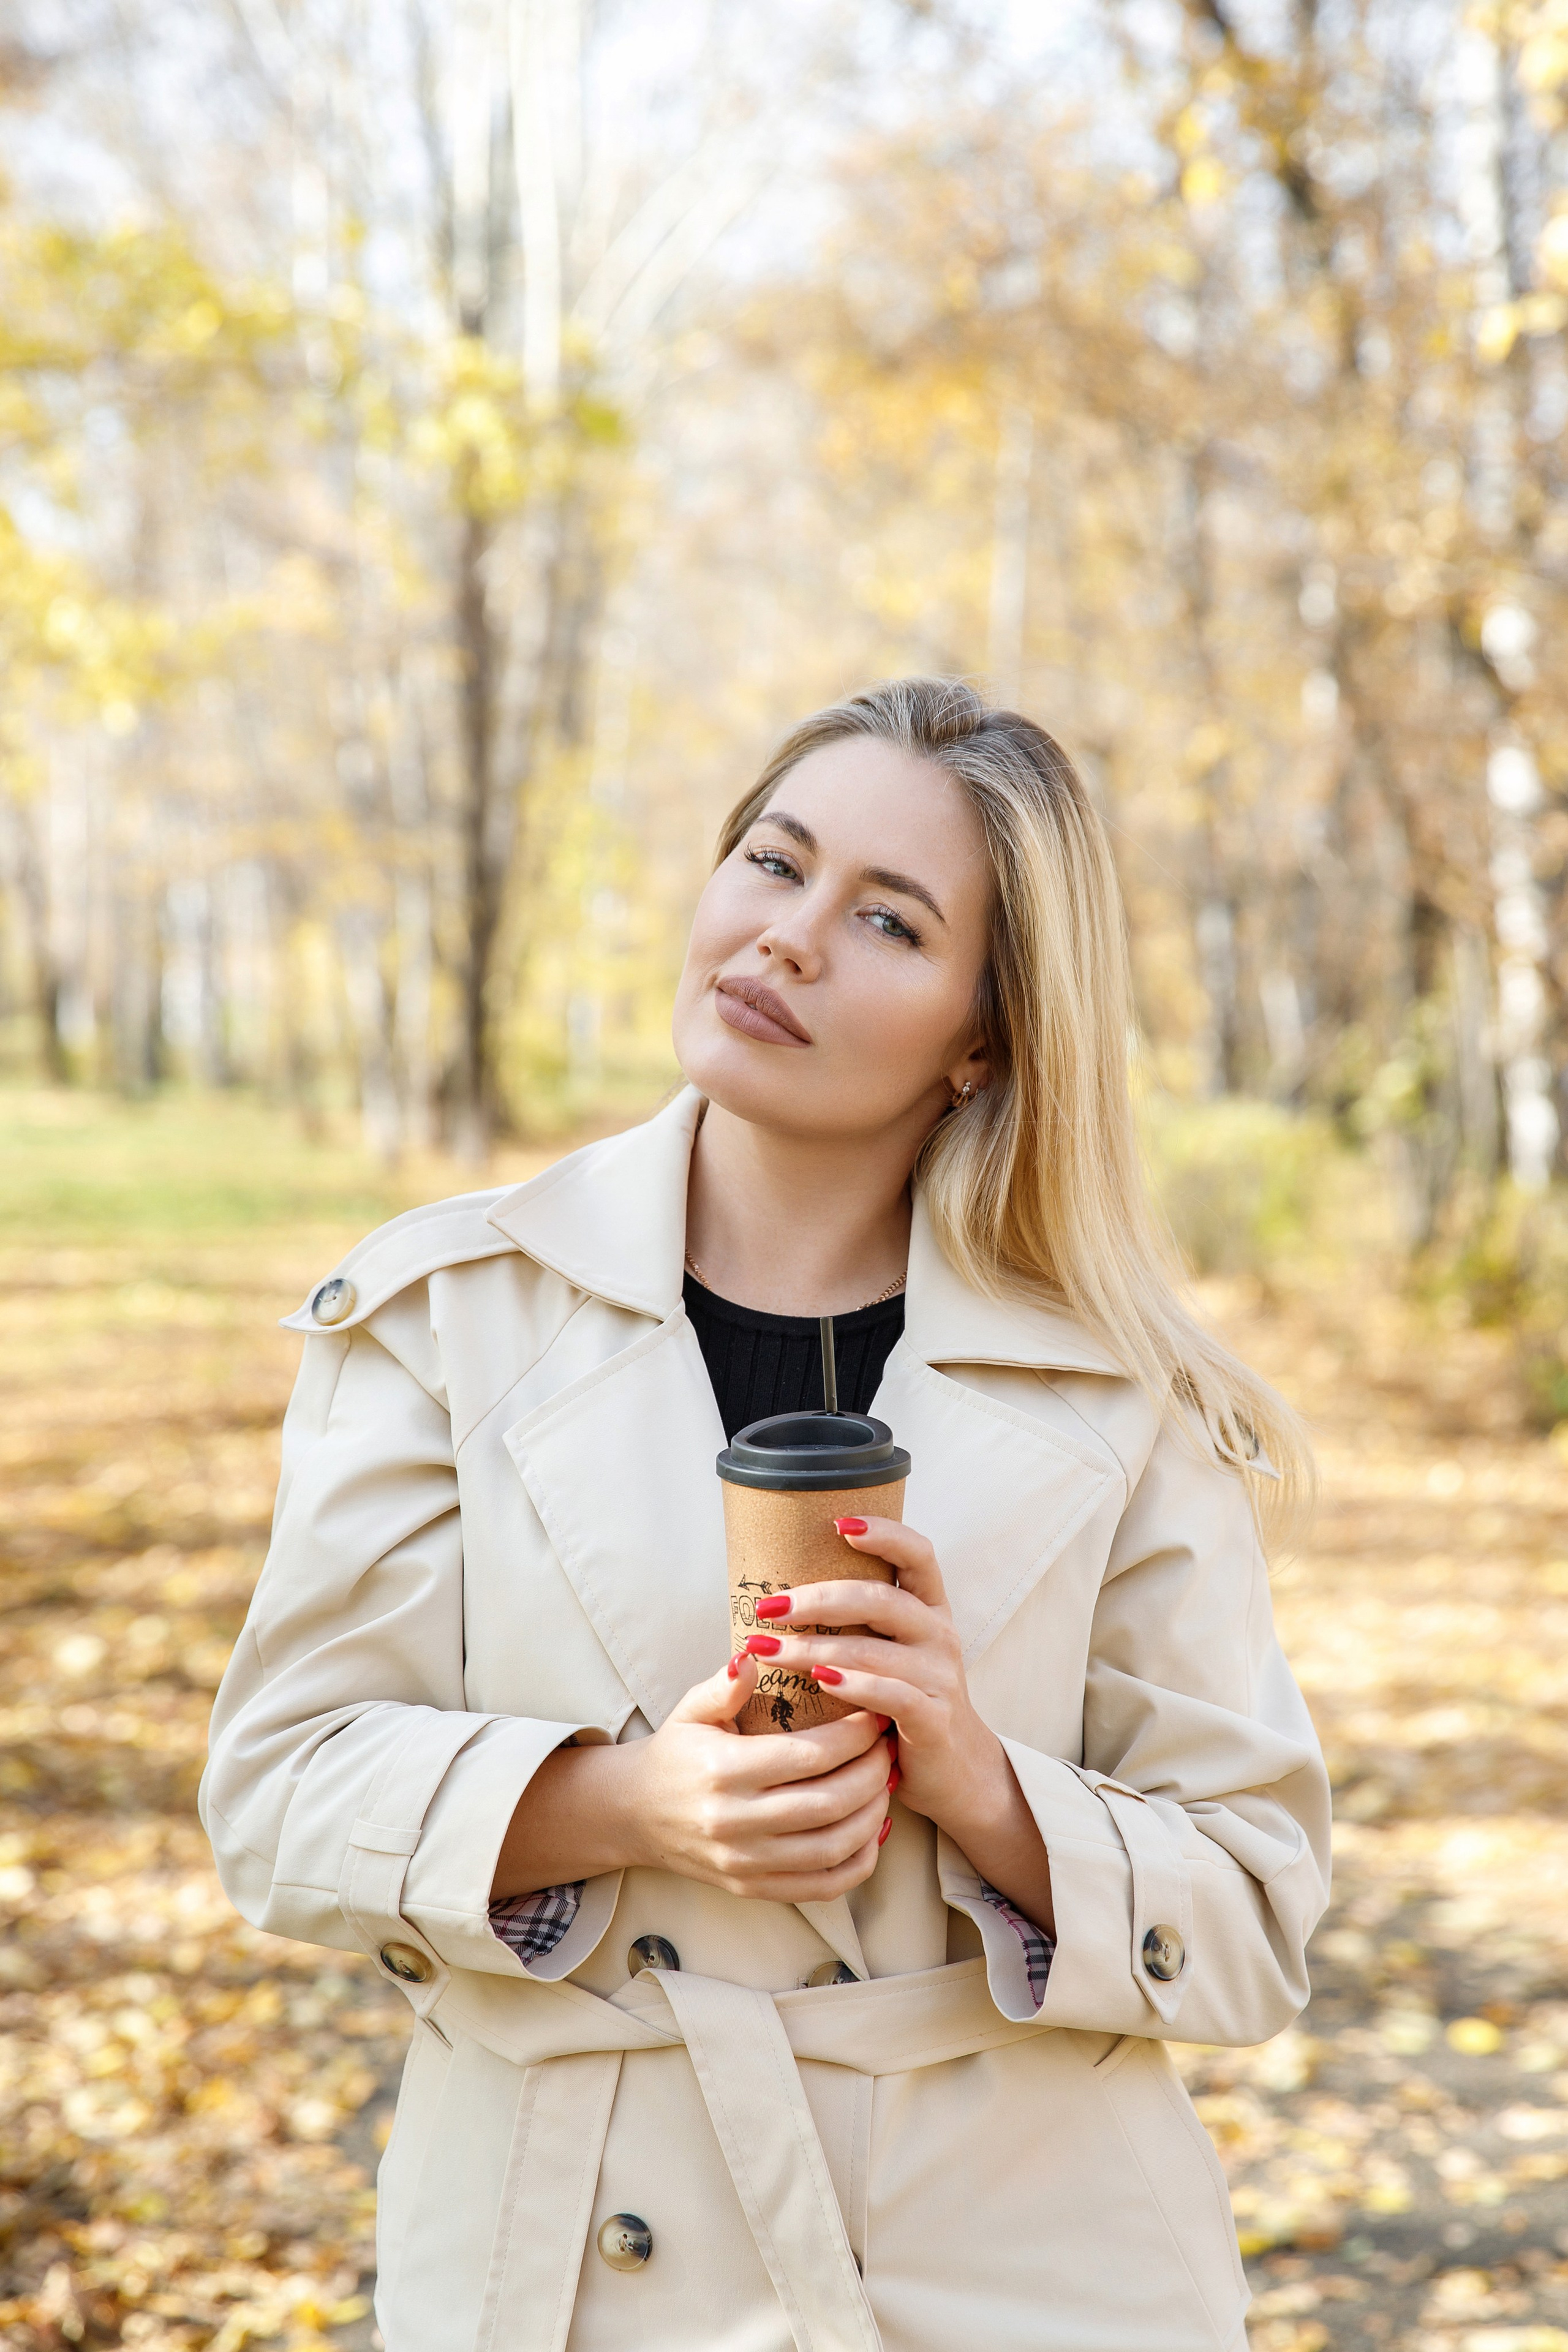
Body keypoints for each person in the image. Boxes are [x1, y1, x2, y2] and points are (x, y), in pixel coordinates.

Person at [202, 677, 1330, 2352]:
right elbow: (278, 1795)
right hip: (565, 2261)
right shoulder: (447, 1318)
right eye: (773, 862)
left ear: (985, 1037)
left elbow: (1253, 1918)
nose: (787, 936)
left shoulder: (1126, 1394)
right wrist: (627, 1806)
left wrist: (981, 1784)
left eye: (888, 919)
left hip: (1033, 2270)